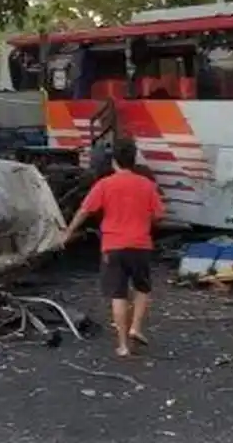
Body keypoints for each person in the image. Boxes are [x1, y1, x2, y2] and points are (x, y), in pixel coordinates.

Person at [59, 139, 164, 356]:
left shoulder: (104, 185)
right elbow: (158, 216)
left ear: (114, 161)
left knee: (118, 294)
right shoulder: (147, 184)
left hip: (113, 246)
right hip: (140, 245)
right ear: (134, 160)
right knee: (142, 289)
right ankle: (136, 327)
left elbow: (84, 210)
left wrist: (68, 233)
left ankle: (123, 345)